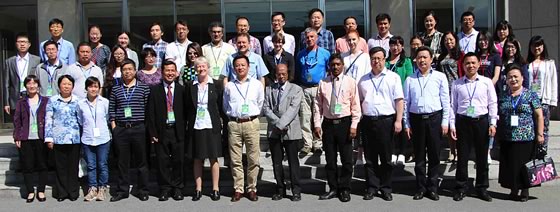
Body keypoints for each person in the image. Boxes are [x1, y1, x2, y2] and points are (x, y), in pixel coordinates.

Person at [449, 53, 498, 202]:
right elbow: (452, 105)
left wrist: (492, 123)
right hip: (463, 122)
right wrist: (452, 125)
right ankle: (461, 187)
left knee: (482, 157)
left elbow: (493, 103)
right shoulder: (457, 83)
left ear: (478, 64)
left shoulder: (486, 82)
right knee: (462, 157)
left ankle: (482, 188)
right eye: (467, 63)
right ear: (463, 66)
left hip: (481, 121)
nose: (470, 65)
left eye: (473, 62)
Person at [404, 46, 450, 201]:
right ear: (415, 60)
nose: (422, 60)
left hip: (434, 119)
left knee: (434, 155)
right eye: (419, 57)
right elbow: (406, 102)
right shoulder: (410, 79)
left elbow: (445, 101)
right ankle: (420, 187)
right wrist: (407, 123)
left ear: (431, 59)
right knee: (419, 156)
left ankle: (432, 188)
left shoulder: (439, 77)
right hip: (416, 120)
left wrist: (445, 122)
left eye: (425, 57)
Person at [314, 53, 361, 202]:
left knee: (347, 160)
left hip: (345, 124)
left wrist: (354, 125)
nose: (335, 67)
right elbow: (317, 105)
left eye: (338, 64)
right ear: (329, 66)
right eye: (332, 64)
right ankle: (333, 188)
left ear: (343, 66)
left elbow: (355, 106)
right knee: (330, 160)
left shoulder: (350, 82)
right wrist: (316, 124)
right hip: (328, 124)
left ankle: (345, 189)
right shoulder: (323, 82)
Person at [359, 47, 403, 201]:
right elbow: (359, 101)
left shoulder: (393, 77)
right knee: (370, 158)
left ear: (385, 59)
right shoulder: (363, 80)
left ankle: (385, 188)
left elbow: (399, 100)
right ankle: (371, 187)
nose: (376, 61)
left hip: (387, 121)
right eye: (373, 58)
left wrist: (398, 120)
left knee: (386, 158)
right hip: (368, 121)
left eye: (379, 58)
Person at [497, 64, 544, 202]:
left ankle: (525, 189)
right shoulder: (504, 96)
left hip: (526, 136)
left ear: (522, 78)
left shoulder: (530, 94)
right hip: (508, 136)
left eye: (516, 77)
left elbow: (539, 115)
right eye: (510, 77)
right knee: (510, 164)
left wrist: (540, 134)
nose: (513, 79)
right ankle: (513, 188)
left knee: (524, 164)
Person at [223, 55, 264, 202]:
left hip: (251, 122)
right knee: (236, 159)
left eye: (243, 65)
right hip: (234, 124)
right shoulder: (229, 86)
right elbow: (226, 106)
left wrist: (250, 116)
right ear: (234, 68)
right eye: (237, 65)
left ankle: (252, 188)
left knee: (253, 158)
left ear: (248, 67)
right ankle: (238, 188)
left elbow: (260, 103)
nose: (240, 68)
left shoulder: (257, 84)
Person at [109, 59, 151, 202]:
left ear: (135, 71)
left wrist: (145, 128)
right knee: (122, 162)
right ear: (121, 72)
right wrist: (114, 127)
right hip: (121, 129)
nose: (127, 72)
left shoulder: (144, 88)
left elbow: (148, 109)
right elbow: (112, 109)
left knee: (142, 162)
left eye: (130, 69)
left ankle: (143, 189)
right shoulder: (116, 89)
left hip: (139, 128)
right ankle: (122, 190)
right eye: (124, 69)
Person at [185, 57, 224, 201]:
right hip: (196, 125)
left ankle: (215, 188)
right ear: (195, 69)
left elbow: (220, 106)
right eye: (198, 67)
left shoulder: (216, 85)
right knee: (197, 158)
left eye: (203, 66)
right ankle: (198, 189)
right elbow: (187, 107)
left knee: (214, 158)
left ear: (208, 67)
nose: (201, 69)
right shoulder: (190, 85)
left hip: (211, 124)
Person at [262, 64, 303, 201]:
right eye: (279, 74)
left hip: (290, 129)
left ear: (288, 74)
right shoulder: (269, 89)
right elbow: (266, 109)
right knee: (277, 162)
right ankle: (280, 188)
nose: (281, 76)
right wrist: (277, 124)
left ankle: (296, 190)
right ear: (275, 74)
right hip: (274, 130)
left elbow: (293, 109)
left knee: (293, 161)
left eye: (284, 73)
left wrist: (282, 124)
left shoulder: (296, 89)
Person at [147, 61, 185, 201]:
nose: (170, 73)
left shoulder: (181, 90)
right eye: (167, 70)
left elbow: (186, 112)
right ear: (162, 73)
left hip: (177, 130)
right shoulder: (155, 90)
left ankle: (178, 188)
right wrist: (153, 133)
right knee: (162, 161)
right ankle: (164, 188)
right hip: (161, 131)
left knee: (178, 160)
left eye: (172, 71)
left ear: (176, 73)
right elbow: (150, 113)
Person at [13, 75, 49, 203]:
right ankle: (29, 191)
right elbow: (17, 121)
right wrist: (17, 136)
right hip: (26, 137)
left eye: (34, 83)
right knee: (27, 166)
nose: (32, 85)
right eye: (29, 83)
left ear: (38, 86)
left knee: (42, 165)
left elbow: (50, 120)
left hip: (41, 137)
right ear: (26, 86)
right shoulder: (21, 102)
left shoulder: (45, 101)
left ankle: (40, 190)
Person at [44, 75, 81, 201]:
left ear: (73, 86)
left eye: (69, 84)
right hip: (58, 138)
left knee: (73, 166)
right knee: (60, 167)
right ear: (59, 86)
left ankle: (73, 192)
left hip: (74, 138)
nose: (66, 86)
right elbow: (48, 119)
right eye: (64, 84)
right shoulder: (53, 100)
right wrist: (49, 138)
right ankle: (61, 193)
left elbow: (82, 119)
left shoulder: (78, 101)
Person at [296, 27, 331, 155]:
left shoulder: (325, 53)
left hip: (319, 87)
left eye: (312, 37)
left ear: (317, 38)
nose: (309, 39)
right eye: (307, 37)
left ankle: (318, 143)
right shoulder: (300, 54)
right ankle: (307, 143)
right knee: (305, 116)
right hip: (304, 88)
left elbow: (330, 70)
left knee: (318, 115)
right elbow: (299, 72)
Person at [77, 76, 111, 201]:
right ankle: (92, 188)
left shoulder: (105, 102)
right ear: (86, 88)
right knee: (91, 165)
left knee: (102, 164)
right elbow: (80, 120)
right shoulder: (80, 104)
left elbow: (107, 118)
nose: (93, 89)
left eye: (96, 86)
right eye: (90, 86)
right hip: (87, 138)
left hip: (103, 138)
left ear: (99, 88)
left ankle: (102, 187)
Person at [526, 35, 557, 152]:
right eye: (534, 45)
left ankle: (542, 152)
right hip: (530, 99)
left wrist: (553, 101)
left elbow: (554, 82)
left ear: (543, 47)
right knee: (531, 126)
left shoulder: (549, 63)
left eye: (539, 45)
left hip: (543, 100)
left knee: (543, 128)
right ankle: (531, 152)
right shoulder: (528, 63)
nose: (536, 48)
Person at [386, 36, 413, 164]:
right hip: (387, 98)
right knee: (390, 125)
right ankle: (392, 152)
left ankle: (402, 152)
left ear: (402, 46)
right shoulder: (385, 62)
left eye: (398, 45)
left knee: (402, 123)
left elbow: (408, 78)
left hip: (402, 97)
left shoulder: (406, 61)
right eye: (392, 45)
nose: (395, 47)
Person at [437, 31, 463, 162]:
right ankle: (452, 151)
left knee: (457, 120)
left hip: (457, 89)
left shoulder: (460, 55)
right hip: (444, 90)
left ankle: (458, 150)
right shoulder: (441, 56)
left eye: (451, 40)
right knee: (447, 119)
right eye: (446, 40)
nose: (449, 42)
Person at [3, 33, 41, 116]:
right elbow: (6, 84)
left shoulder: (37, 60)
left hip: (32, 96)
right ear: (16, 44)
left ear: (29, 44)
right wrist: (6, 102)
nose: (22, 44)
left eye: (24, 42)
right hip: (15, 98)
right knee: (17, 126)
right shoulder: (9, 61)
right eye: (19, 42)